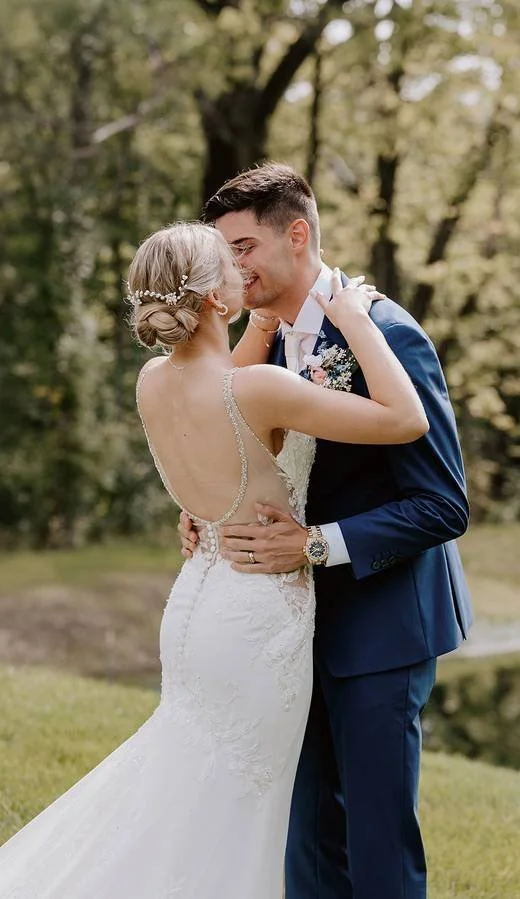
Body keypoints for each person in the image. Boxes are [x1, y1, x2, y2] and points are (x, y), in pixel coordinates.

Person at [0, 220, 428, 899]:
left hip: (198, 605)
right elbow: (405, 419)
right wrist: (356, 318)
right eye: (231, 266)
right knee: (235, 814)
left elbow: (226, 433)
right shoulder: (255, 389)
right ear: (217, 300)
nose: (243, 270)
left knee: (184, 793)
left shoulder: (153, 381)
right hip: (257, 617)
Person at [179, 163, 473, 899]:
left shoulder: (387, 334)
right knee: (305, 838)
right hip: (283, 629)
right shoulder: (263, 341)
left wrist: (313, 545)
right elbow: (245, 453)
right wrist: (209, 513)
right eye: (224, 253)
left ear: (297, 234)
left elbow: (443, 504)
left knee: (377, 842)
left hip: (381, 622)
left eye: (244, 247)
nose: (232, 266)